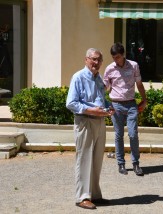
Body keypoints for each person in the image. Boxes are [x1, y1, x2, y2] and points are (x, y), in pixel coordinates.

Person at [66, 48, 114, 210]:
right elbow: (71, 103)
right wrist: (91, 110)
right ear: (86, 59)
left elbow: (101, 99)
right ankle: (82, 197)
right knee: (84, 159)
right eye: (93, 59)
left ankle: (94, 194)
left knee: (96, 160)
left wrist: (108, 107)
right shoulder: (78, 77)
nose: (96, 63)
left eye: (99, 60)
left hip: (100, 121)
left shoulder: (98, 78)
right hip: (85, 121)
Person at [103, 42, 147, 176]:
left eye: (117, 57)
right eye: (113, 57)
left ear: (123, 55)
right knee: (118, 135)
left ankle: (136, 164)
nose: (115, 60)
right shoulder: (109, 69)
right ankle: (121, 164)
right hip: (116, 105)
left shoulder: (133, 66)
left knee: (133, 134)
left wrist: (144, 100)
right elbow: (104, 87)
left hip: (131, 104)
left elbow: (139, 84)